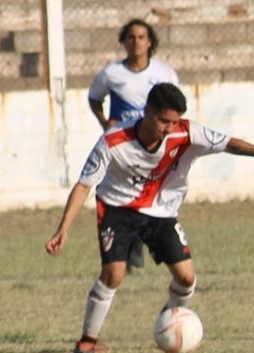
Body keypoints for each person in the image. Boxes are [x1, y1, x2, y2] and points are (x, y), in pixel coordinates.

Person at [46, 83, 254, 353]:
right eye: (163, 121)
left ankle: (169, 322)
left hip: (161, 212)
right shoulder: (113, 141)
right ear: (147, 112)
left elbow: (231, 143)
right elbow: (84, 185)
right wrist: (63, 229)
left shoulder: (186, 131)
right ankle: (87, 341)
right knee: (114, 274)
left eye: (173, 122)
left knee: (186, 278)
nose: (168, 128)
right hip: (117, 208)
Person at [88, 19, 180, 272]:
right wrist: (105, 122)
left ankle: (146, 245)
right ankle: (127, 250)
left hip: (153, 145)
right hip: (125, 146)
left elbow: (174, 105)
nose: (136, 42)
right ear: (123, 41)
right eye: (131, 37)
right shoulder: (111, 73)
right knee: (123, 194)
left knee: (151, 194)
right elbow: (94, 98)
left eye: (141, 37)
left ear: (150, 42)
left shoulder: (164, 73)